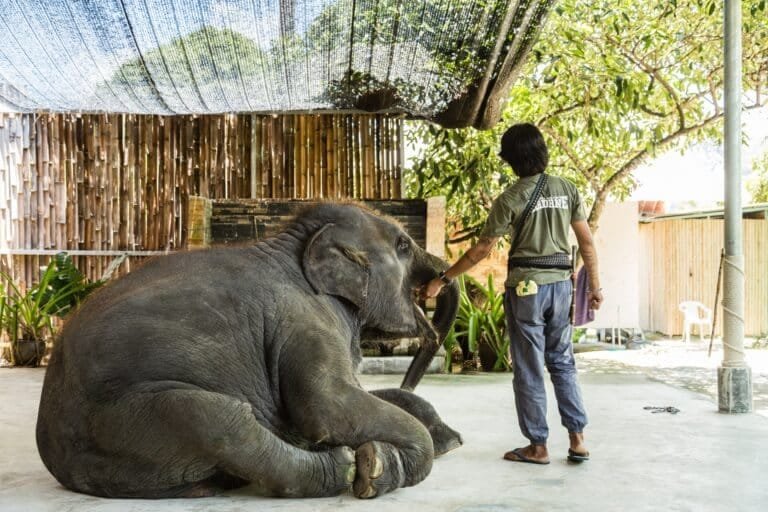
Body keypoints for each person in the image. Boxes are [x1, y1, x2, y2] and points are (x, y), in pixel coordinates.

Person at [421, 122, 603, 465]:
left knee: (530, 367)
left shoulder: (511, 198)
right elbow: (586, 242)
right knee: (562, 362)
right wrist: (595, 285)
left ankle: (538, 446)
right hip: (562, 286)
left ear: (512, 160)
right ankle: (577, 439)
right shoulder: (568, 188)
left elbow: (480, 252)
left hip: (526, 290)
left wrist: (442, 279)